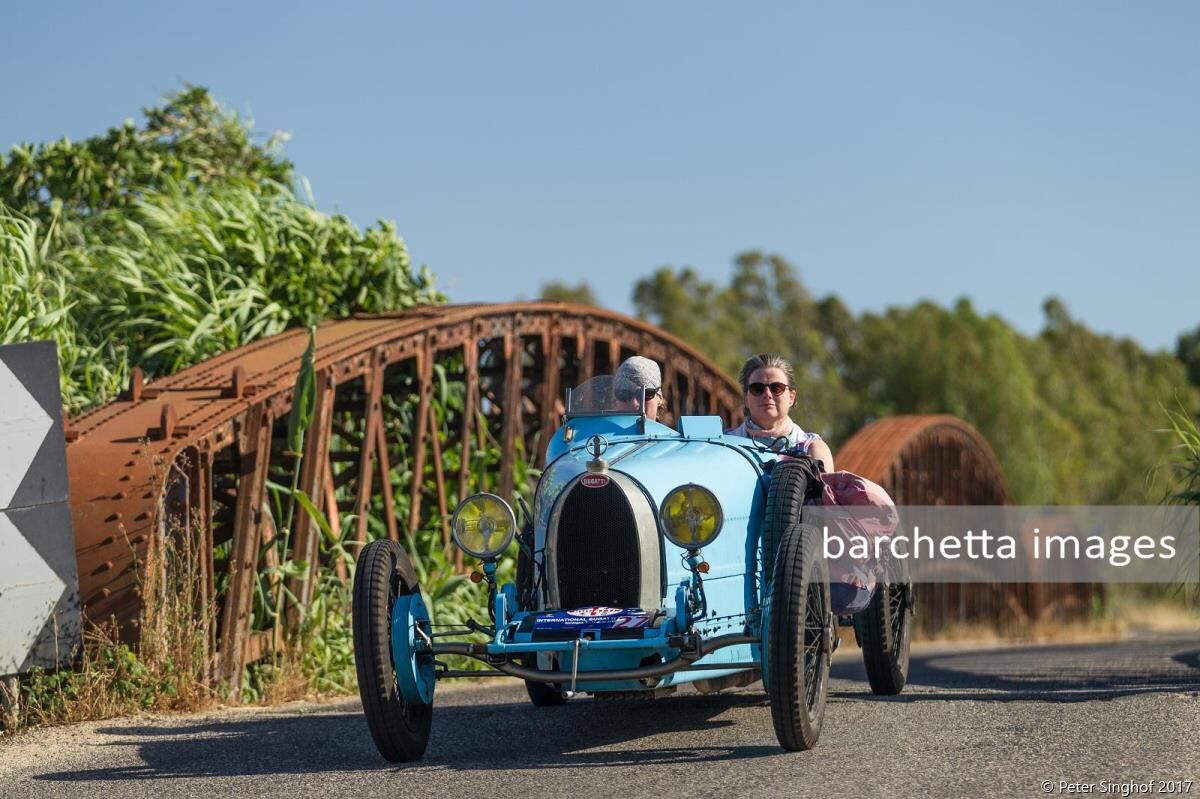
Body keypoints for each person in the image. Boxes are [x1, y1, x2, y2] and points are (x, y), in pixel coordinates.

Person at [726, 353, 835, 472]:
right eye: (757, 388)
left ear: (791, 398)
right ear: (746, 399)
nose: (767, 394)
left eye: (777, 388)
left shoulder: (812, 449)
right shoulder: (722, 443)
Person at [612, 355, 665, 422]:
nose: (634, 404)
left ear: (660, 398)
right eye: (624, 394)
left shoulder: (671, 433)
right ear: (615, 402)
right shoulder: (597, 432)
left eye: (646, 394)